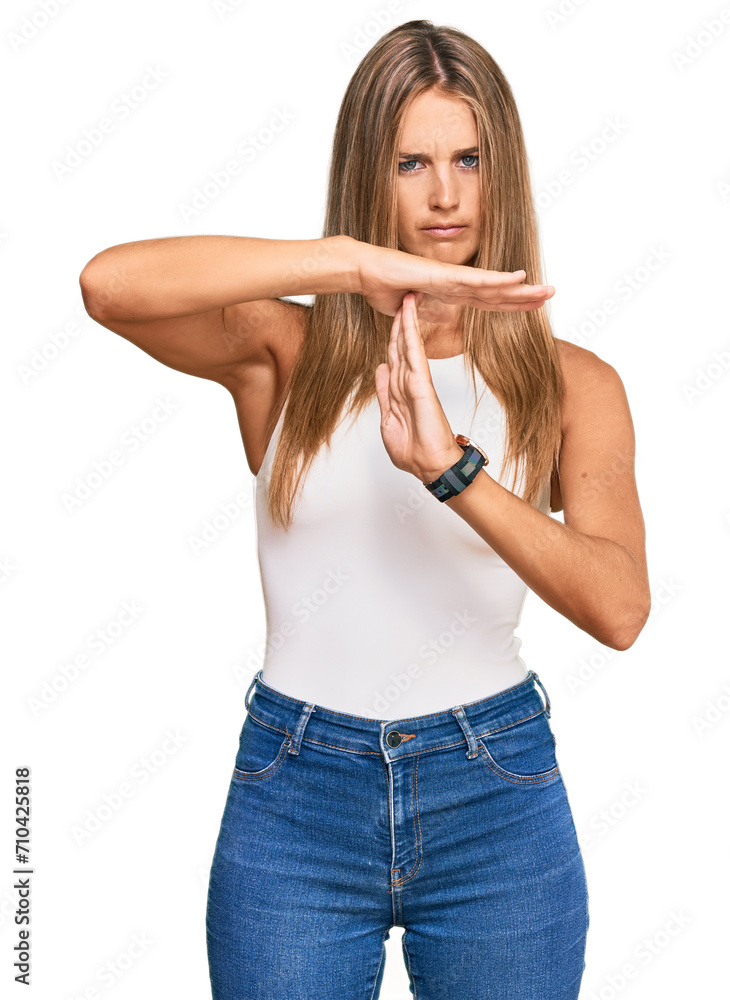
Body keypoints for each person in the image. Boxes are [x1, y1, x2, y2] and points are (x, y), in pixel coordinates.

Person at [78, 19, 650, 1000]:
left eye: (468, 158)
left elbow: (619, 608)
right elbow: (108, 285)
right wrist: (347, 267)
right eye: (410, 161)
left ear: (500, 169)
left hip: (494, 795)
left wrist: (453, 471)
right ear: (365, 175)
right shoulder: (288, 354)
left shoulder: (572, 384)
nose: (443, 194)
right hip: (296, 790)